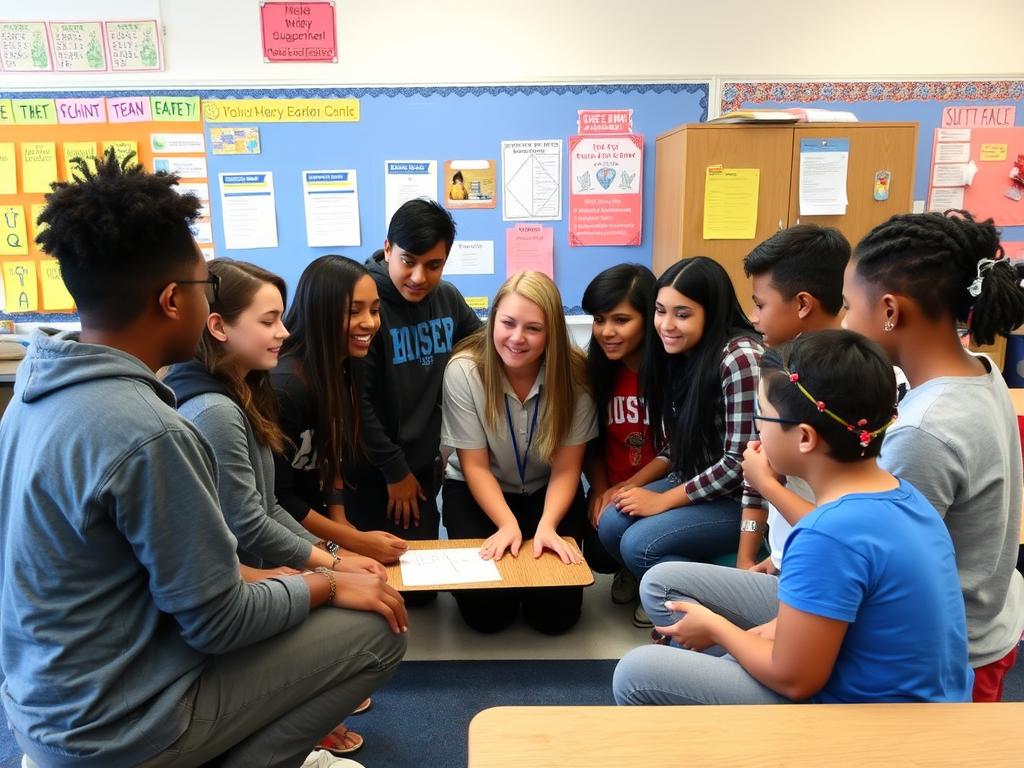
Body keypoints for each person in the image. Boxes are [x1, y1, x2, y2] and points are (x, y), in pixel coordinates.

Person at [0, 150, 407, 768]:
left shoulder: (34, 392)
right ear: (172, 300)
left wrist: (295, 576)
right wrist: (324, 582)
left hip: (48, 709)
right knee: (375, 629)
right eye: (202, 288)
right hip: (119, 730)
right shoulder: (149, 430)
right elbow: (218, 624)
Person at [613, 330, 973, 705]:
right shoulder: (902, 494)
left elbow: (795, 680)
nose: (756, 431)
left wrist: (718, 630)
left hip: (873, 722)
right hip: (910, 693)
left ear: (804, 438)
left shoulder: (826, 534)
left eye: (762, 416)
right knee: (664, 585)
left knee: (637, 674)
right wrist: (748, 637)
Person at [165, 258, 388, 757]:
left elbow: (266, 506)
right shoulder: (215, 411)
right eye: (268, 322)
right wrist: (333, 565)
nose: (284, 333)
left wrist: (333, 554)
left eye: (282, 319)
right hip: (234, 594)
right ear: (219, 327)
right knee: (376, 628)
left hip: (257, 574)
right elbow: (249, 523)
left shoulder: (244, 391)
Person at [842, 209, 1024, 702]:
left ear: (889, 311)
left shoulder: (925, 429)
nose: (842, 321)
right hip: (992, 613)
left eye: (846, 305)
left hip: (948, 653)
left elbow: (881, 572)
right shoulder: (982, 371)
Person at [596, 256, 765, 627]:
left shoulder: (740, 358)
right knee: (610, 522)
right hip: (695, 480)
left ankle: (702, 597)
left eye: (682, 314)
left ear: (712, 311)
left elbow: (740, 463)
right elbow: (681, 441)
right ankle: (662, 580)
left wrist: (663, 501)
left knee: (638, 545)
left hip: (739, 498)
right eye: (660, 311)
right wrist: (630, 486)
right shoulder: (680, 353)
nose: (666, 325)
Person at [441, 270, 597, 634]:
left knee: (555, 618)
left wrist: (547, 526)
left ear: (552, 332)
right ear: (493, 320)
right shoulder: (464, 371)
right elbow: (475, 465)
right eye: (507, 323)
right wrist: (507, 524)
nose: (516, 338)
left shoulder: (576, 376)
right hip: (478, 490)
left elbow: (567, 469)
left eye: (533, 328)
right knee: (487, 617)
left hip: (548, 492)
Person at [345, 199, 480, 603]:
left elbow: (482, 346)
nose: (420, 277)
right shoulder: (365, 305)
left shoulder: (448, 299)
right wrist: (394, 471)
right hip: (371, 470)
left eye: (434, 265)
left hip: (421, 467)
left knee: (421, 593)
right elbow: (357, 401)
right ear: (387, 249)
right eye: (408, 261)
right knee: (374, 584)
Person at [271, 256, 408, 567]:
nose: (370, 323)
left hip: (312, 527)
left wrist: (341, 521)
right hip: (281, 541)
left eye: (374, 310)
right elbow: (276, 499)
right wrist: (351, 542)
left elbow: (330, 455)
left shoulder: (345, 365)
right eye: (354, 311)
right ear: (321, 312)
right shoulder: (285, 387)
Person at [739, 224, 850, 572]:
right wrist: (766, 557)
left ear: (803, 304)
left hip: (822, 571)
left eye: (760, 305)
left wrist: (765, 483)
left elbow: (846, 532)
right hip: (789, 556)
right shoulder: (780, 363)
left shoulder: (850, 384)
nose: (754, 318)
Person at [579, 264, 659, 604]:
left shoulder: (672, 374)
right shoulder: (593, 371)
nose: (607, 331)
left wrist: (628, 487)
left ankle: (657, 580)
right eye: (599, 320)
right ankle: (632, 567)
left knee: (644, 540)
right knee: (598, 551)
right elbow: (589, 443)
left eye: (621, 320)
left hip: (660, 489)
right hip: (614, 489)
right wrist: (599, 488)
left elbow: (678, 453)